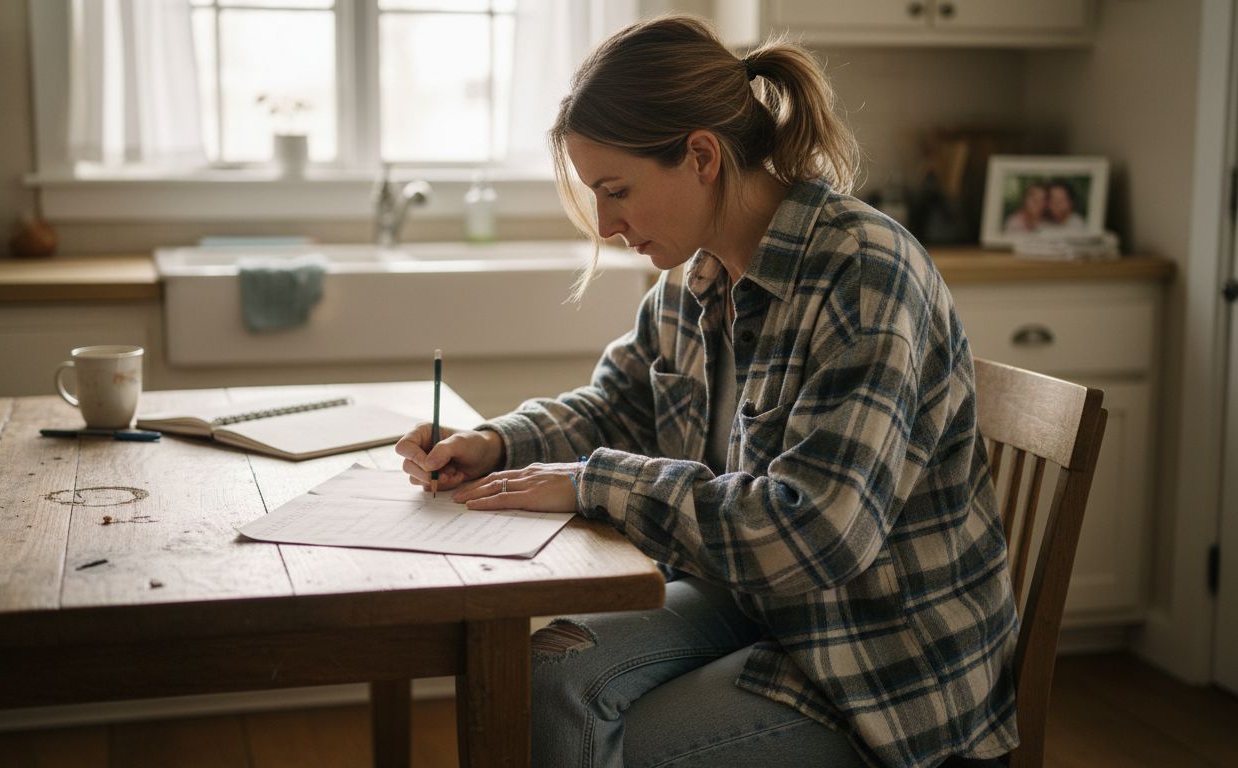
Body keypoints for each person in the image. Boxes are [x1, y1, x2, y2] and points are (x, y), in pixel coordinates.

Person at [395, 14, 1018, 768]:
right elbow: (618, 407)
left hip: (880, 657)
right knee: (550, 675)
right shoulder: (691, 279)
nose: (606, 223)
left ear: (700, 156)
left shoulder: (862, 273)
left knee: (619, 745)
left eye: (616, 189)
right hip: (758, 602)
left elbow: (815, 535)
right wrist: (496, 442)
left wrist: (594, 483)